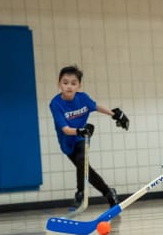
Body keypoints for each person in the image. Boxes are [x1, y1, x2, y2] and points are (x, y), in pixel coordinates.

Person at [49, 65, 130, 209]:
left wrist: (115, 115)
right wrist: (80, 130)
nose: (69, 86)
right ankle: (109, 192)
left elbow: (95, 106)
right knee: (86, 169)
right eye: (65, 82)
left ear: (79, 85)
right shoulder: (56, 104)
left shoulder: (83, 98)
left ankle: (80, 194)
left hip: (82, 138)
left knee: (82, 161)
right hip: (68, 141)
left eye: (73, 83)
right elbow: (66, 130)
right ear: (59, 84)